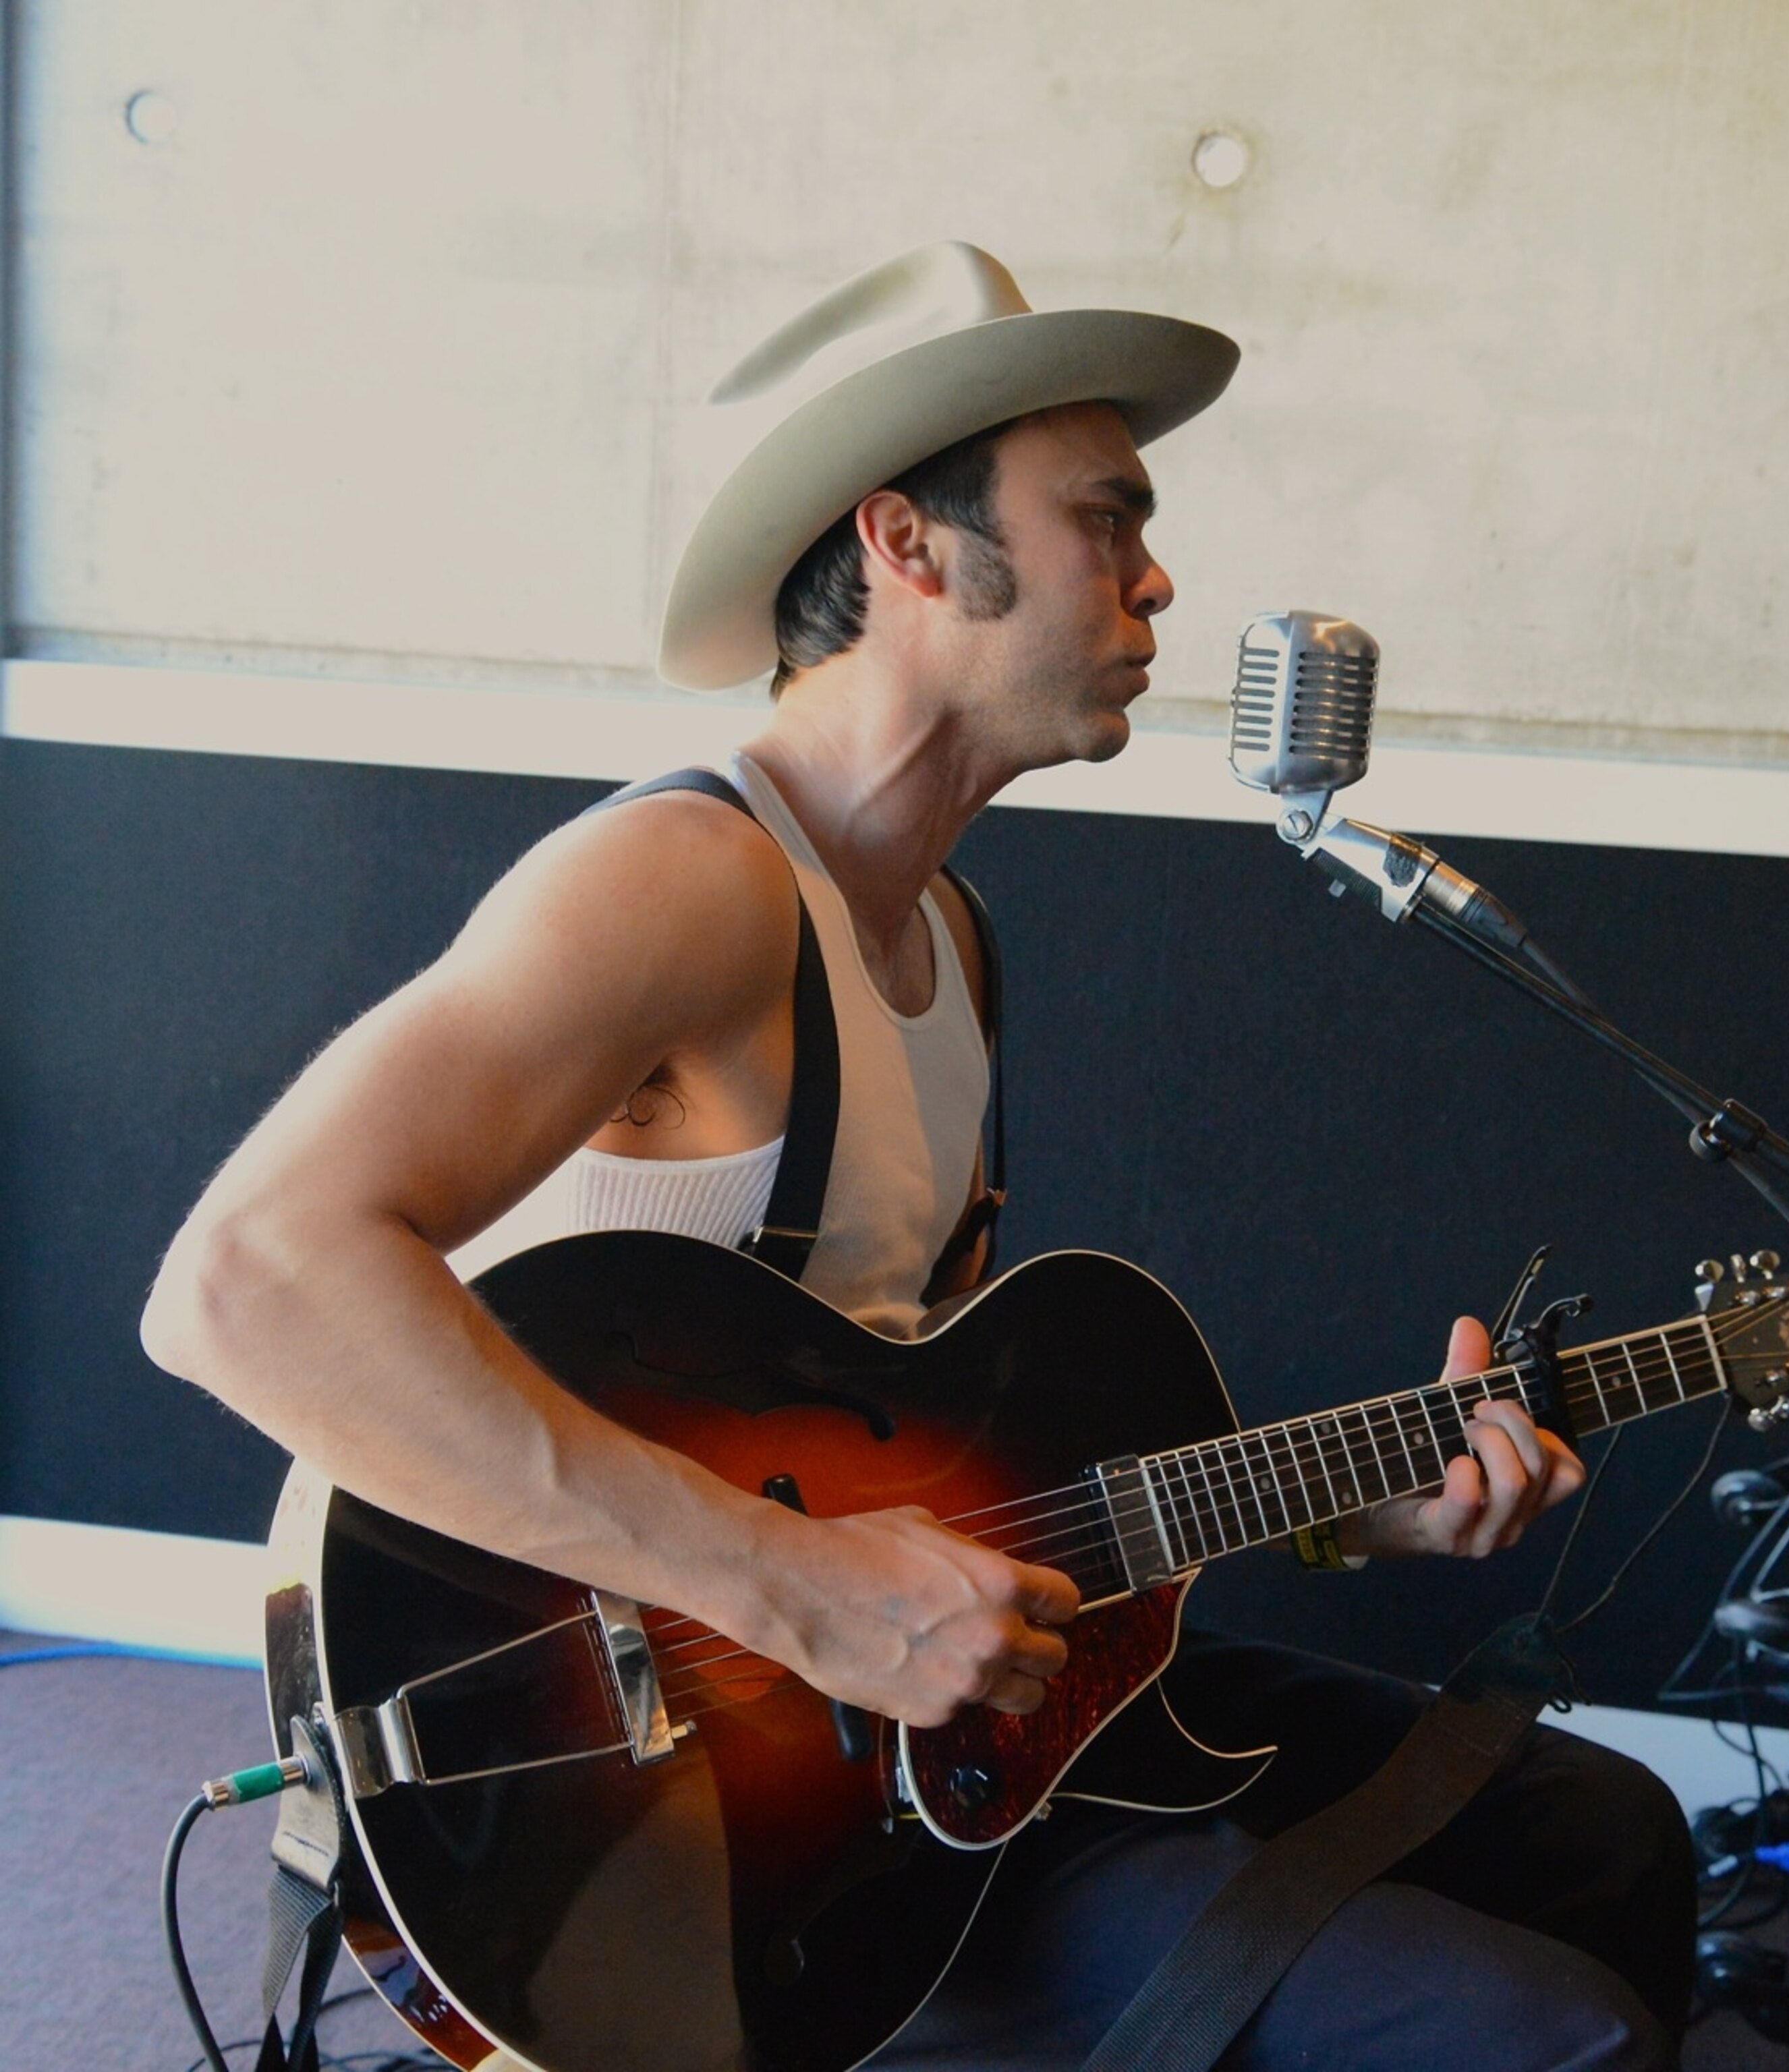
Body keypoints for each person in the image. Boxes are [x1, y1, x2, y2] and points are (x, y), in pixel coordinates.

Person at [142, 242, 1692, 2069]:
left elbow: (946, 1468)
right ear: (907, 544)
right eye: (1105, 519)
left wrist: (1355, 1514)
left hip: (932, 1742)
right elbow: (244, 1286)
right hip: (674, 1810)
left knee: (1608, 1834)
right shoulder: (686, 887)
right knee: (1542, 2040)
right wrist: (783, 1585)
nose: (1155, 577)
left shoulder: (949, 937)